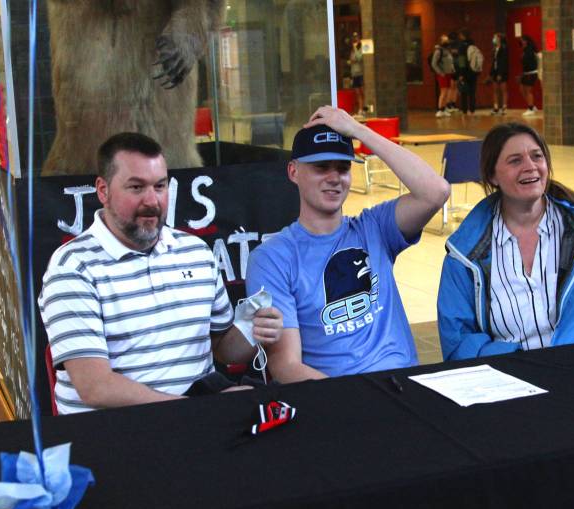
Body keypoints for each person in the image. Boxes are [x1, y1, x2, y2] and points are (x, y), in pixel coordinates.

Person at [38, 132, 283, 414]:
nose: (152, 201)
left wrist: (255, 331)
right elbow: (95, 387)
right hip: (111, 433)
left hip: (195, 417)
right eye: (136, 187)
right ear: (103, 190)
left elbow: (222, 348)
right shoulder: (73, 266)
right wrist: (199, 410)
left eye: (160, 186)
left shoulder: (196, 252)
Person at [246, 106, 451, 382]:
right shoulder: (273, 258)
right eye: (321, 167)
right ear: (293, 172)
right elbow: (286, 367)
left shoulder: (375, 227)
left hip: (404, 384)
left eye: (343, 168)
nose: (334, 178)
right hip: (337, 397)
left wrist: (358, 130)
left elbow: (436, 191)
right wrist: (358, 400)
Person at [436, 123, 574, 361]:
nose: (531, 166)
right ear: (492, 175)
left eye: (537, 156)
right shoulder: (465, 253)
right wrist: (507, 359)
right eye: (515, 161)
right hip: (510, 377)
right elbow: (458, 338)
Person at [457, 31, 483, 115]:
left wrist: (461, 73)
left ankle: (464, 110)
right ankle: (472, 109)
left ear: (462, 35)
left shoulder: (461, 46)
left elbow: (461, 60)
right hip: (473, 71)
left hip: (465, 72)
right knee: (472, 92)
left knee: (464, 91)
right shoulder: (473, 45)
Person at [431, 35, 456, 118]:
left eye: (447, 40)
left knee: (447, 92)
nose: (447, 41)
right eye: (445, 40)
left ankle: (444, 108)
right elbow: (434, 63)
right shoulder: (438, 51)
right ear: (440, 41)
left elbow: (450, 62)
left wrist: (452, 70)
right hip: (443, 74)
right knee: (443, 92)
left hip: (449, 74)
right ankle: (439, 109)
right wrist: (441, 73)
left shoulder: (447, 50)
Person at [488, 32, 509, 115]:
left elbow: (503, 62)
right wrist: (491, 73)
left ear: (499, 39)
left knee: (503, 90)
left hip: (502, 71)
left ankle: (504, 107)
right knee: (495, 90)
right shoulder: (495, 49)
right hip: (495, 71)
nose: (494, 39)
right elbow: (494, 62)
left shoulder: (504, 48)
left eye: (495, 37)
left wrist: (500, 73)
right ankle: (496, 107)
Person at [519, 35, 539, 117]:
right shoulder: (524, 50)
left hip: (531, 72)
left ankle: (530, 108)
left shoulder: (530, 50)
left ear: (526, 41)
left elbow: (531, 63)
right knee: (521, 89)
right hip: (526, 73)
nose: (521, 42)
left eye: (522, 40)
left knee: (528, 91)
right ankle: (532, 106)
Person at [348, 33, 365, 118]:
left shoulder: (361, 49)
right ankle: (360, 109)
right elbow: (351, 60)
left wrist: (355, 47)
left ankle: (364, 109)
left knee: (362, 92)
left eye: (357, 38)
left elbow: (359, 58)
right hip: (354, 73)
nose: (355, 40)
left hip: (360, 73)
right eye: (354, 39)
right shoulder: (352, 50)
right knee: (357, 93)